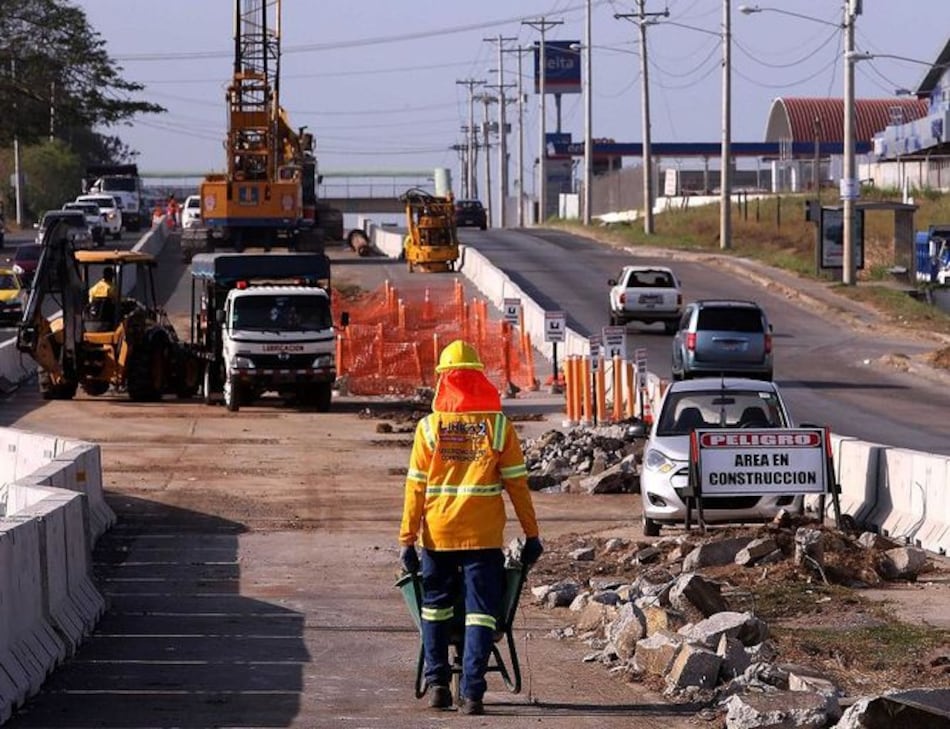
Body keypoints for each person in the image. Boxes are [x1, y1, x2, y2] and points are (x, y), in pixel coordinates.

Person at [399, 340, 543, 716]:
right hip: (483, 537)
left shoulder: (429, 428)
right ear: (480, 377)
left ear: (443, 379)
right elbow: (517, 485)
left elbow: (415, 487)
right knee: (481, 612)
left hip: (438, 534)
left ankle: (437, 685)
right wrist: (531, 534)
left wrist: (407, 539)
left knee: (435, 608)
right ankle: (473, 693)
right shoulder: (498, 427)